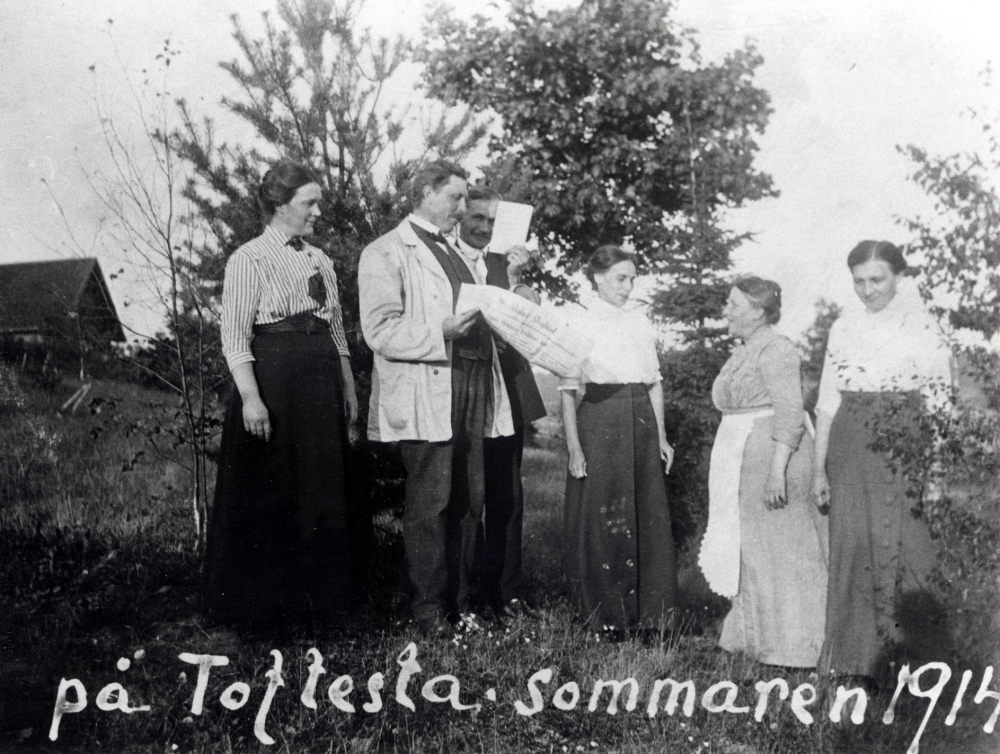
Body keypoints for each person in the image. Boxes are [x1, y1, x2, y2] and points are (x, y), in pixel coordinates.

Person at [358, 160, 515, 635]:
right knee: (433, 501)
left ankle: (461, 604)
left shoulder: (454, 253)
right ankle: (427, 611)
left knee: (471, 497)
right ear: (426, 192)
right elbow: (379, 330)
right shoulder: (387, 251)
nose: (464, 209)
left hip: (471, 381)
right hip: (429, 385)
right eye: (456, 198)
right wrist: (440, 330)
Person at [203, 160, 360, 631]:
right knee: (274, 491)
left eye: (318, 202)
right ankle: (265, 612)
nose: (317, 212)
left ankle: (323, 608)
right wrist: (251, 398)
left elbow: (336, 333)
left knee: (323, 486)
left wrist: (349, 388)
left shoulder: (320, 260)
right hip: (275, 383)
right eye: (308, 203)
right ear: (278, 205)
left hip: (321, 385)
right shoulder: (248, 259)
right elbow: (234, 337)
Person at [812, 241, 953, 683]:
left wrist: (937, 473)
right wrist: (818, 469)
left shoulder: (924, 327)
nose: (868, 290)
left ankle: (918, 666)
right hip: (850, 443)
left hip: (905, 439)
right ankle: (853, 660)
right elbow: (826, 404)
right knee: (852, 544)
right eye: (859, 281)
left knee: (911, 545)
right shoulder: (843, 327)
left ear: (899, 276)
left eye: (878, 279)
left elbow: (940, 406)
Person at [699, 276, 828, 667]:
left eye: (733, 304)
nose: (726, 311)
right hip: (744, 457)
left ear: (758, 311)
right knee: (750, 550)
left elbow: (790, 413)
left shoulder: (777, 350)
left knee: (783, 554)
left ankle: (796, 650)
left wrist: (777, 474)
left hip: (774, 458)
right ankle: (747, 637)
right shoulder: (746, 349)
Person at [560, 245, 678, 633]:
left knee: (644, 511)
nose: (627, 287)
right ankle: (605, 615)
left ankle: (651, 616)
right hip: (599, 417)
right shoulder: (579, 320)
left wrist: (661, 435)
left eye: (631, 279)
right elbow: (567, 389)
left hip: (640, 417)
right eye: (620, 279)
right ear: (597, 277)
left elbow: (654, 382)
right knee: (602, 512)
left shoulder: (639, 321)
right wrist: (575, 447)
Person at [453, 186, 547, 620]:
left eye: (493, 220)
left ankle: (507, 592)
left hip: (505, 392)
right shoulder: (450, 260)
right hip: (466, 391)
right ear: (459, 216)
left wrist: (515, 279)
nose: (485, 227)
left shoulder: (505, 265)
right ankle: (469, 595)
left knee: (508, 498)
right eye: (477, 217)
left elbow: (529, 322)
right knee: (469, 498)